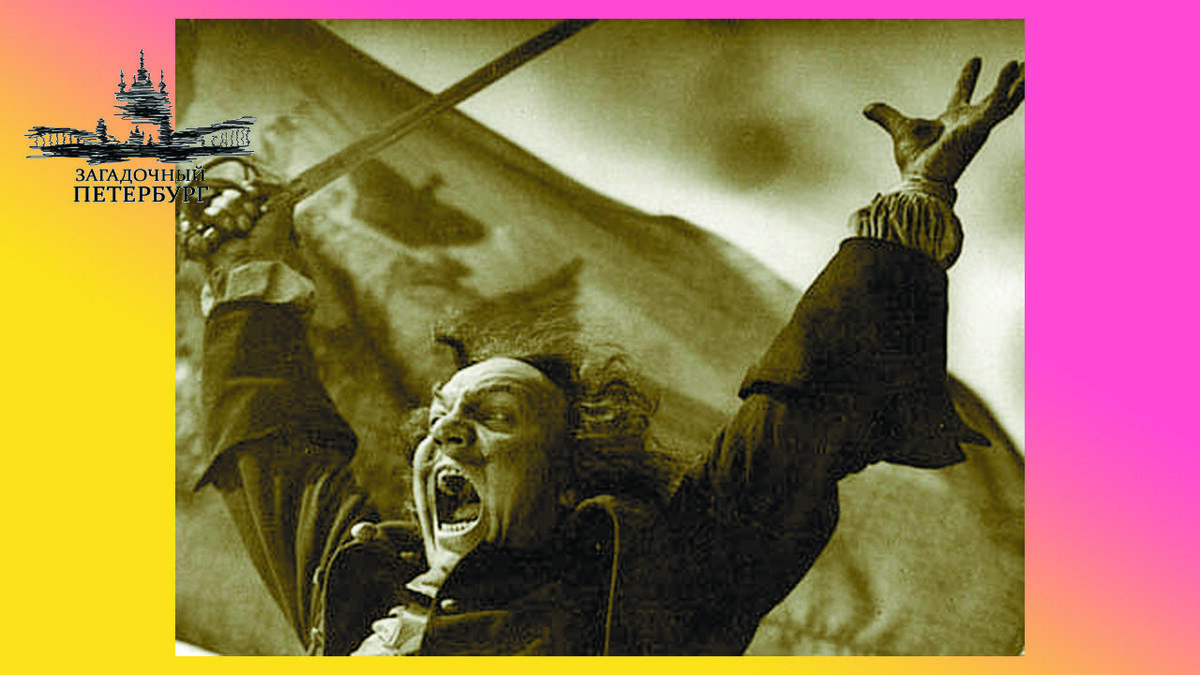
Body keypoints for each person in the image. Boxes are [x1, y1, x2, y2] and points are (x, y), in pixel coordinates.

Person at [183, 57, 1024, 655]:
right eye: (440, 419)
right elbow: (274, 447)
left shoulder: (647, 590)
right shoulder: (353, 589)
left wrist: (917, 202)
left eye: (495, 415)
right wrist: (245, 276)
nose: (448, 434)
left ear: (570, 479)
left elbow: (795, 420)